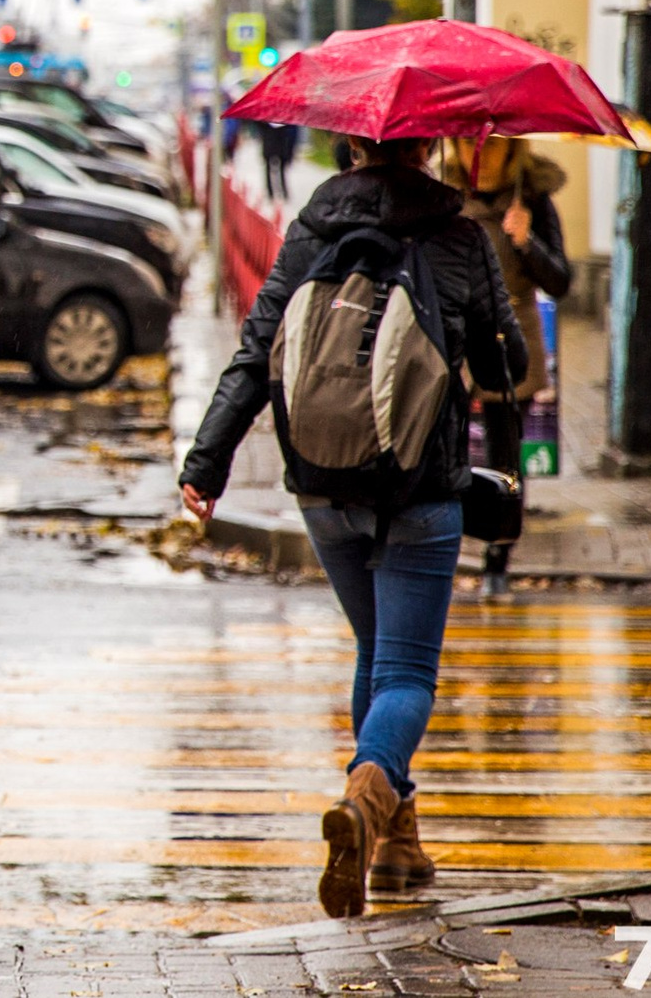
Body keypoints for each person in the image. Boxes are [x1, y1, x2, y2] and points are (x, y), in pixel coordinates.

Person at [179, 135, 526, 919]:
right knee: (406, 673)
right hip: (419, 488)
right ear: (429, 143)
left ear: (349, 143)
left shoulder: (311, 227)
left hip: (320, 483)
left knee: (375, 650)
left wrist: (207, 463)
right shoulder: (457, 232)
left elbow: (257, 350)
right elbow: (510, 362)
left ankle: (399, 846)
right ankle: (366, 802)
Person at [441, 139, 573, 588]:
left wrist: (527, 242)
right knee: (446, 446)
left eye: (490, 143)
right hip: (453, 337)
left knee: (505, 452)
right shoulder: (445, 194)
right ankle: (449, 539)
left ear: (511, 145)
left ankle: (499, 553)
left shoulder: (531, 195)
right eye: (464, 142)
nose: (477, 152)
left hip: (509, 336)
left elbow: (560, 280)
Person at [258, 119, 301, 205]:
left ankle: (281, 191)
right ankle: (273, 192)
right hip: (273, 147)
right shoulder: (269, 121)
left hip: (278, 148)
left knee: (280, 171)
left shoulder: (282, 121)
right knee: (271, 170)